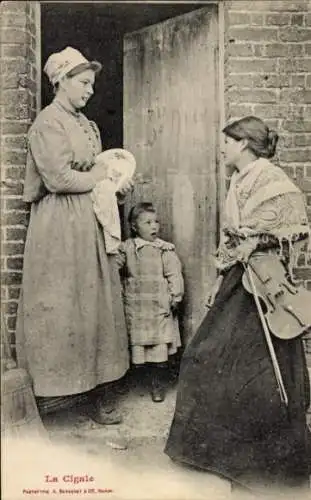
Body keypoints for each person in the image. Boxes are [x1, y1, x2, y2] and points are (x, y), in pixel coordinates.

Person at [164, 116, 311, 494]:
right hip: (237, 280)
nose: (223, 149)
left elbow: (294, 226)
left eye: (227, 142)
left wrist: (257, 239)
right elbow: (232, 240)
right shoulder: (239, 181)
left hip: (262, 284)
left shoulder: (270, 179)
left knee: (257, 370)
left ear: (244, 143)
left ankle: (264, 463)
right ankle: (220, 453)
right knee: (206, 358)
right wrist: (219, 278)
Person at [15, 47, 132, 425]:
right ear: (60, 82)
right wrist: (99, 178)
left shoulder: (87, 124)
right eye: (83, 83)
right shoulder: (48, 124)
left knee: (94, 303)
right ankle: (51, 398)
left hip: (89, 223)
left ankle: (96, 390)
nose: (90, 91)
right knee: (61, 305)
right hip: (59, 227)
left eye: (91, 84)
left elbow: (96, 170)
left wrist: (115, 185)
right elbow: (58, 178)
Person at [117, 202, 184, 402]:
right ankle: (133, 381)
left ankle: (158, 384)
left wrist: (176, 295)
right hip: (137, 308)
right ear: (135, 227)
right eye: (147, 222)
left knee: (158, 348)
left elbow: (175, 274)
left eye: (156, 222)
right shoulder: (128, 248)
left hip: (157, 308)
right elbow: (114, 267)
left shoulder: (164, 250)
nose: (154, 226)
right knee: (137, 346)